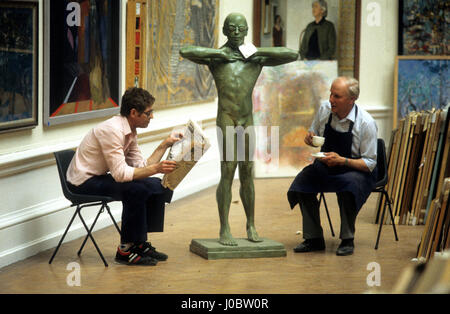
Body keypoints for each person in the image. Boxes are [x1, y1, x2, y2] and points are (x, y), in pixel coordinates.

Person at [180, 13, 298, 246]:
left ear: (246, 31)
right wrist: (219, 53)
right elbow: (185, 50)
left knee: (247, 171)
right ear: (224, 30)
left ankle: (251, 224)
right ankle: (224, 227)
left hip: (247, 118)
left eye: (240, 28)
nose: (235, 32)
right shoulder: (217, 59)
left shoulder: (254, 59)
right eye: (231, 28)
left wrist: (255, 52)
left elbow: (292, 54)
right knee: (228, 169)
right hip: (227, 117)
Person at [66, 87, 182, 266]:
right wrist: (157, 168)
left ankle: (139, 243)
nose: (152, 117)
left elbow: (140, 166)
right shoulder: (112, 130)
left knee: (156, 184)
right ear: (134, 112)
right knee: (135, 188)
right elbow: (121, 175)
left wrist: (164, 145)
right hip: (82, 182)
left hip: (98, 176)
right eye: (148, 113)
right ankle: (125, 250)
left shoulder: (130, 130)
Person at [287, 77, 378, 256]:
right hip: (327, 164)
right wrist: (311, 140)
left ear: (352, 100)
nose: (331, 99)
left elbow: (370, 163)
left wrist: (342, 161)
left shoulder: (366, 123)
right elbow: (315, 136)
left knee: (348, 186)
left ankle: (347, 239)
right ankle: (313, 238)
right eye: (330, 94)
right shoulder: (325, 109)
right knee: (302, 183)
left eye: (337, 96)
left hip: (355, 168)